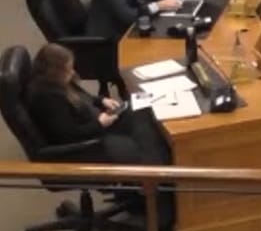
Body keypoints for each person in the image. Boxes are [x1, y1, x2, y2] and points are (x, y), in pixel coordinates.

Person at [25, 44, 171, 167]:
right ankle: (156, 174)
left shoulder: (57, 82)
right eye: (68, 70)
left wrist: (101, 101)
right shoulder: (47, 99)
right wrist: (100, 124)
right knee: (143, 125)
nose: (72, 72)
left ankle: (160, 163)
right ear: (54, 72)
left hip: (97, 122)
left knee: (142, 110)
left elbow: (81, 99)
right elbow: (68, 135)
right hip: (91, 142)